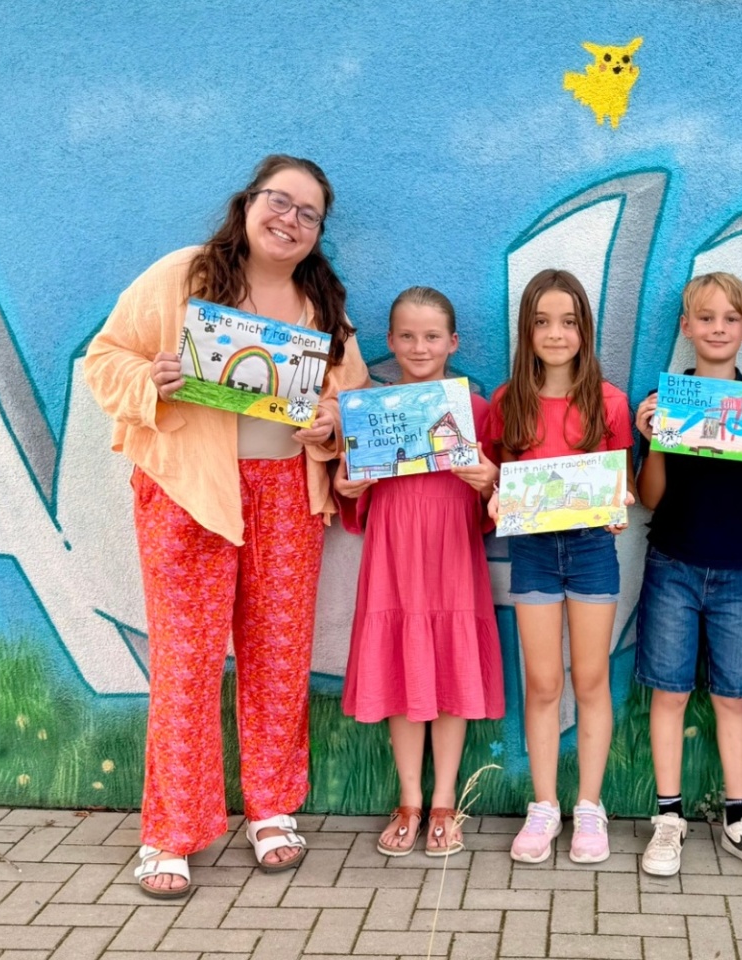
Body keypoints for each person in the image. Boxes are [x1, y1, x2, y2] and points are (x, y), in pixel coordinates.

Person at [83, 154, 370, 898]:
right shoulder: (184, 275)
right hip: (190, 489)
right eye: (281, 201)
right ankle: (170, 831)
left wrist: (331, 424)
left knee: (278, 655)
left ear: (318, 233)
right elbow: (104, 357)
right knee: (187, 660)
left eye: (309, 214)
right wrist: (151, 379)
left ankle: (270, 808)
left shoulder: (320, 300)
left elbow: (354, 396)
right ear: (248, 202)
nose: (291, 220)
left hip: (285, 495)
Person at [630, 272, 742, 879]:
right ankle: (668, 818)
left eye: (730, 319)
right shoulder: (669, 403)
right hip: (672, 565)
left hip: (738, 571)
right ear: (687, 327)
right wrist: (652, 440)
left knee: (734, 697)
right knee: (670, 693)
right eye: (705, 318)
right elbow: (649, 498)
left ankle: (740, 820)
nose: (718, 328)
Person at [333, 287, 505, 859]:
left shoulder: (477, 411)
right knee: (403, 674)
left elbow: (503, 504)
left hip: (453, 553)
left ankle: (444, 802)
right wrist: (346, 487)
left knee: (452, 674)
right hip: (393, 554)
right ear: (390, 342)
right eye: (406, 335)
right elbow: (352, 500)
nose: (419, 346)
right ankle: (409, 800)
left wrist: (488, 485)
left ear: (453, 342)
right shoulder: (369, 411)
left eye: (432, 336)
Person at [483, 268, 636, 864]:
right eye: (543, 322)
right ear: (527, 329)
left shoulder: (611, 402)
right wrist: (492, 492)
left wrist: (618, 504)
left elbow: (619, 484)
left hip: (594, 550)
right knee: (544, 684)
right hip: (534, 555)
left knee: (590, 681)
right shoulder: (507, 402)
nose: (555, 334)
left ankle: (589, 808)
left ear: (584, 330)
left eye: (568, 322)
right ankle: (544, 806)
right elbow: (497, 478)